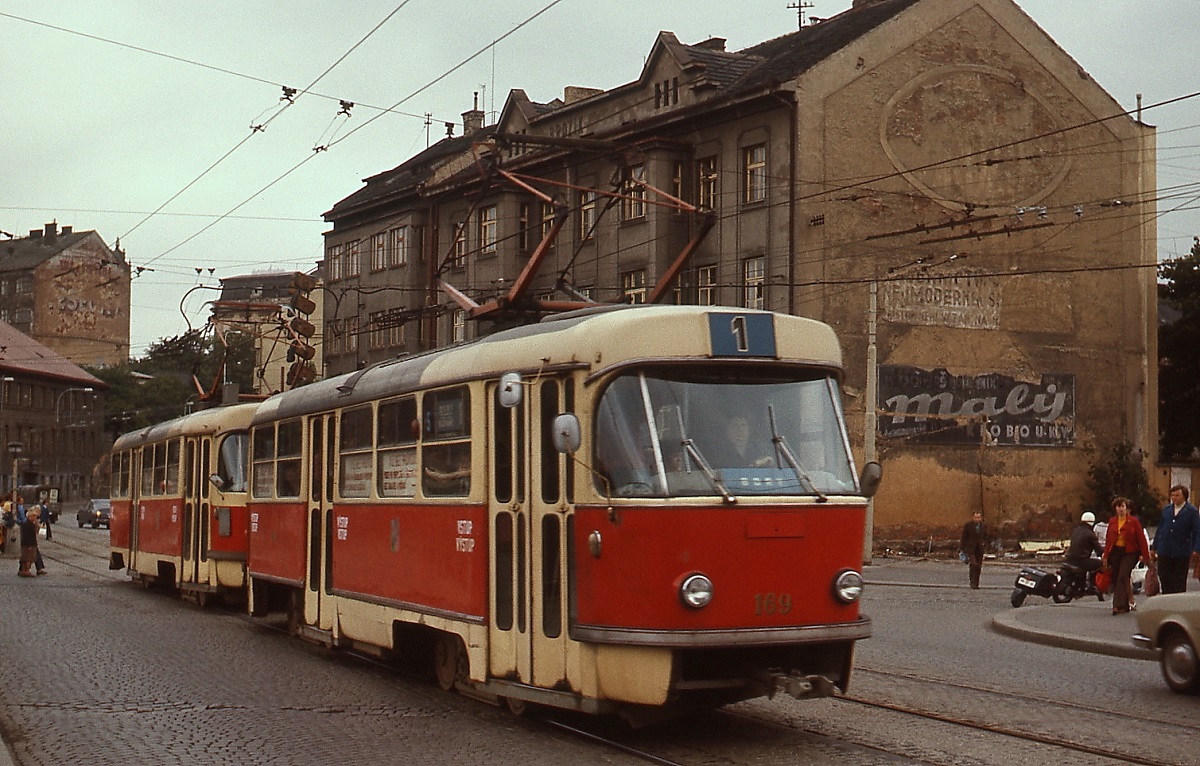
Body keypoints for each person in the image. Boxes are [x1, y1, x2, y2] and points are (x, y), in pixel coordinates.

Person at [1101, 497, 1150, 614]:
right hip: (1116, 552)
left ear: (1127, 508)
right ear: (1115, 509)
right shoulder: (1113, 521)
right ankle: (1125, 604)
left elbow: (1141, 539)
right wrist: (1106, 556)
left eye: (1123, 506)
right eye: (1119, 507)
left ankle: (1117, 605)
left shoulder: (1133, 521)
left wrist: (1145, 556)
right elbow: (1108, 540)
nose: (1121, 509)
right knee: (1118, 576)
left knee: (1123, 575)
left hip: (1130, 552)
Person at [1150, 485, 1200, 594]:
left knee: (1179, 581)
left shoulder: (1191, 511)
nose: (1174, 498)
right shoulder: (1167, 510)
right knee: (1164, 577)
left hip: (1181, 551)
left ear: (1184, 496)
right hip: (1165, 550)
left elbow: (1197, 531)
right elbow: (1160, 529)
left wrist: (1196, 549)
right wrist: (1154, 548)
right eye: (1172, 495)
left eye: (1177, 495)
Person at [959, 510, 988, 589]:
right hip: (970, 548)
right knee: (973, 564)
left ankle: (976, 583)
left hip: (980, 548)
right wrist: (962, 548)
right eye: (975, 517)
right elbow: (964, 537)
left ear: (981, 518)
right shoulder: (968, 525)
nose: (977, 519)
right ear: (973, 517)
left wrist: (985, 545)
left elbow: (986, 537)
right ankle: (972, 582)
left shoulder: (983, 526)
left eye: (978, 517)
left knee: (978, 566)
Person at [17, 506, 40, 578]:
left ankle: (24, 570)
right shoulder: (27, 524)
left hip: (28, 543)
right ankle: (26, 571)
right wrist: (29, 545)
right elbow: (28, 535)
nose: (35, 518)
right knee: (28, 559)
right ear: (30, 516)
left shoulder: (29, 523)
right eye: (34, 516)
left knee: (27, 558)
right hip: (29, 544)